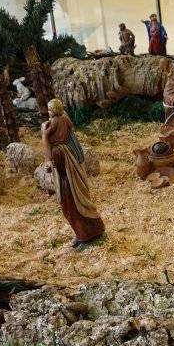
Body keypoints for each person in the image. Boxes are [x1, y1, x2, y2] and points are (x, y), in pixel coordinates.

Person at [42, 99, 105, 249]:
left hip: (68, 186)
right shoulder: (67, 136)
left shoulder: (58, 150)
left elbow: (56, 166)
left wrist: (44, 134)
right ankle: (84, 234)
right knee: (75, 209)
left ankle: (86, 236)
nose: (48, 113)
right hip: (70, 183)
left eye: (50, 110)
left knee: (73, 209)